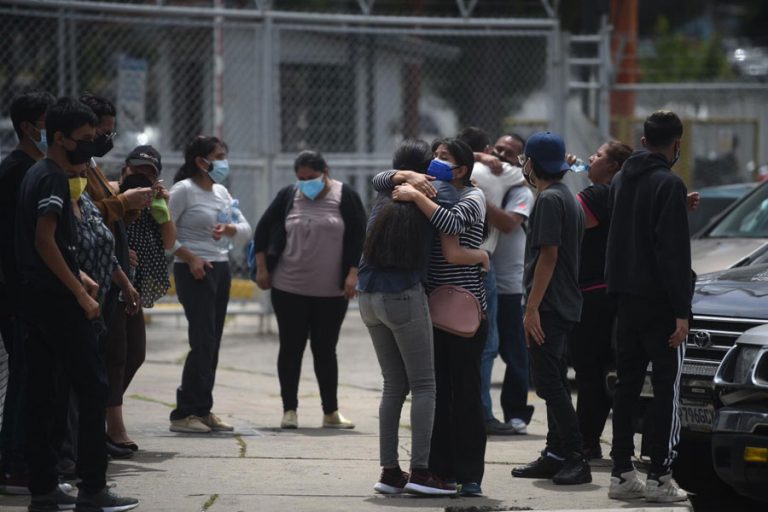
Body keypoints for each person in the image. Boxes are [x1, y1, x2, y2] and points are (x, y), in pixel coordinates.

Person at [16, 97, 138, 511]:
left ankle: (45, 487)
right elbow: (44, 240)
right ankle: (92, 487)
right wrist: (80, 293)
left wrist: (81, 274)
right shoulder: (51, 178)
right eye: (84, 139)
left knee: (44, 392)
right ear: (61, 138)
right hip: (57, 303)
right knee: (92, 388)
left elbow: (53, 245)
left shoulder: (41, 173)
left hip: (38, 299)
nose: (90, 146)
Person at [360, 139, 487, 496]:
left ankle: (389, 472)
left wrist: (405, 182)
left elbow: (378, 178)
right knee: (426, 387)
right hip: (405, 296)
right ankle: (420, 472)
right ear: (424, 169)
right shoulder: (440, 194)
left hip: (368, 296)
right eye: (434, 159)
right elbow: (451, 243)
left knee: (393, 385)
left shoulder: (385, 195)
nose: (438, 164)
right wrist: (480, 256)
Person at [605, 110, 692, 503]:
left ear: (643, 142)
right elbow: (671, 252)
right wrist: (681, 310)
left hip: (625, 298)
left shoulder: (623, 178)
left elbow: (631, 229)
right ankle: (660, 475)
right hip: (659, 303)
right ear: (676, 144)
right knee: (665, 388)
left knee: (625, 386)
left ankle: (621, 472)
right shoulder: (669, 184)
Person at [254, 150, 366, 430]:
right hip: (288, 287)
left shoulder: (345, 196)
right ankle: (289, 410)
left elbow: (359, 236)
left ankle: (331, 412)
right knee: (291, 348)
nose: (306, 183)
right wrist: (262, 268)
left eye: (311, 177)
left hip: (331, 291)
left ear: (325, 171)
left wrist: (353, 274)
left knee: (325, 349)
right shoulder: (289, 195)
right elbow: (263, 230)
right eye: (301, 178)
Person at [511, 131, 590, 485]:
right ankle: (555, 453)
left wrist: (532, 309)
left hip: (550, 307)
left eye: (524, 159)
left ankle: (576, 455)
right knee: (554, 380)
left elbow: (548, 256)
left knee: (550, 384)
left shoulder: (548, 201)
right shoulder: (564, 196)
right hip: (562, 303)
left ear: (531, 163)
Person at [168, 136, 252, 433]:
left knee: (213, 342)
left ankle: (203, 410)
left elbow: (245, 230)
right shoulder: (183, 191)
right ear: (201, 161)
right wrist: (190, 258)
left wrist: (229, 228)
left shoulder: (221, 192)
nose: (223, 161)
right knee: (202, 341)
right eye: (218, 156)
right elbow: (164, 235)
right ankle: (184, 413)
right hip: (195, 270)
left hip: (220, 267)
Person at [0, 90, 55, 494]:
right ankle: (15, 466)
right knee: (23, 376)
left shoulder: (37, 168)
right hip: (18, 290)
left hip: (29, 289)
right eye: (47, 123)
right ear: (29, 127)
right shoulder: (18, 170)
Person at [457, 126, 529, 436]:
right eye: (496, 148)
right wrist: (478, 158)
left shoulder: (520, 187)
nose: (499, 156)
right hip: (480, 272)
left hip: (508, 284)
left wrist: (478, 198)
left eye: (508, 152)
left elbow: (510, 224)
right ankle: (481, 412)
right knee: (484, 347)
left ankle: (515, 413)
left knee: (513, 353)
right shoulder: (483, 168)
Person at [565, 141, 633, 460]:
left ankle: (584, 441)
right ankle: (591, 439)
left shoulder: (596, 195)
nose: (590, 157)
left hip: (590, 295)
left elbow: (564, 223)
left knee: (588, 371)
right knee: (603, 370)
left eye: (600, 155)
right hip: (614, 293)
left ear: (615, 167)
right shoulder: (624, 195)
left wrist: (549, 182)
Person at [106, 146, 175, 451]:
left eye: (150, 174)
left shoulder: (151, 203)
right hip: (110, 283)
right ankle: (113, 426)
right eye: (137, 171)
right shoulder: (111, 193)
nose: (141, 178)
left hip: (133, 287)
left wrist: (162, 207)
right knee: (116, 356)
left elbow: (169, 241)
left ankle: (100, 412)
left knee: (135, 353)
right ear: (125, 169)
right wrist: (119, 255)